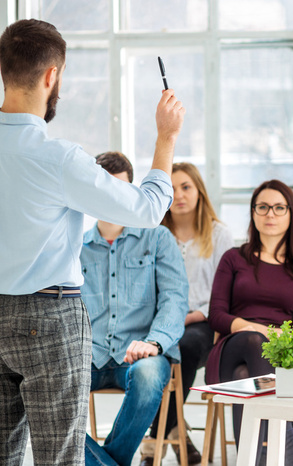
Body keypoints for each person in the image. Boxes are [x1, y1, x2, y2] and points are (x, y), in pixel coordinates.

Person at [0, 19, 184, 465]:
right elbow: (147, 209)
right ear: (52, 76)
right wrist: (166, 137)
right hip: (49, 317)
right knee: (59, 458)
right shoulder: (57, 158)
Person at [80, 152, 188, 466]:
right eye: (104, 189)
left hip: (142, 354)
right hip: (90, 355)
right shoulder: (75, 244)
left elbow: (175, 298)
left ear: (132, 192)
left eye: (121, 190)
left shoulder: (157, 238)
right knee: (40, 392)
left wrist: (154, 342)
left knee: (148, 375)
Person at [206, 179, 293, 465]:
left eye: (279, 207)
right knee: (253, 342)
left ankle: (252, 460)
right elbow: (217, 315)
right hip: (232, 348)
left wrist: (275, 339)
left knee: (245, 375)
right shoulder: (233, 258)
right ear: (253, 213)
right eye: (263, 207)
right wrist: (262, 330)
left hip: (282, 360)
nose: (270, 214)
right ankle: (290, 442)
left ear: (291, 214)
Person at [140, 162, 235, 465]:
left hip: (204, 323)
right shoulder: (154, 235)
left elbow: (226, 293)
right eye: (172, 189)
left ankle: (153, 442)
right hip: (160, 322)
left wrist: (190, 316)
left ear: (199, 191)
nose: (179, 195)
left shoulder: (219, 234)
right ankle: (179, 436)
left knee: (185, 346)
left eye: (186, 187)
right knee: (157, 356)